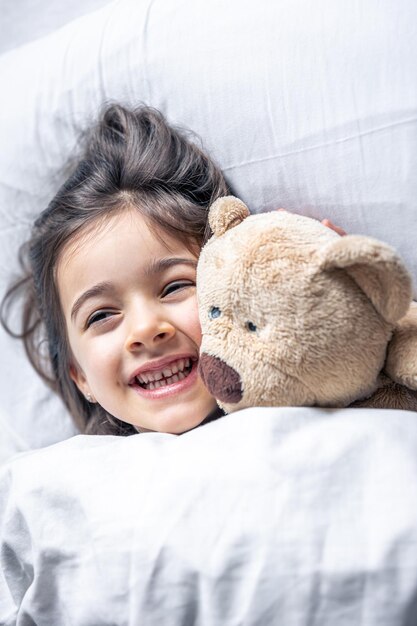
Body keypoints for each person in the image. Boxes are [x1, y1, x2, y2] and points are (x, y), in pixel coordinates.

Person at [0, 103, 345, 437]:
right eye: (101, 315)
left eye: (175, 287)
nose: (147, 329)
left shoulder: (328, 420)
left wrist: (332, 301)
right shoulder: (66, 480)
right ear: (80, 376)